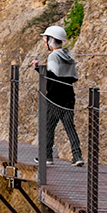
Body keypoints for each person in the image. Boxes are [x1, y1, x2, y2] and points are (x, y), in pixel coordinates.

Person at [32, 25, 82, 165]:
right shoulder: (68, 55)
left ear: (51, 40)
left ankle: (47, 156)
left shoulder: (53, 56)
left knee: (48, 127)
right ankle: (77, 156)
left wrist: (38, 69)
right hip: (68, 96)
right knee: (69, 127)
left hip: (55, 97)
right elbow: (73, 77)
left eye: (46, 39)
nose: (45, 42)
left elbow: (53, 76)